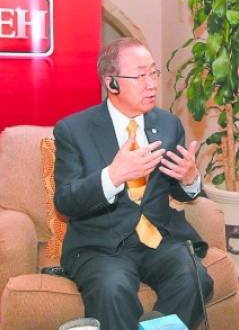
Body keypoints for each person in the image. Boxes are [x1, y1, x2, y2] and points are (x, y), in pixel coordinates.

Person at [53, 37, 213, 329]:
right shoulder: (73, 130)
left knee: (196, 279)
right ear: (111, 83)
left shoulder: (167, 124)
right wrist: (112, 176)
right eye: (140, 75)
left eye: (154, 73)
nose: (151, 83)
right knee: (111, 289)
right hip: (100, 246)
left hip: (159, 239)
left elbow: (178, 188)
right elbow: (64, 201)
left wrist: (190, 179)